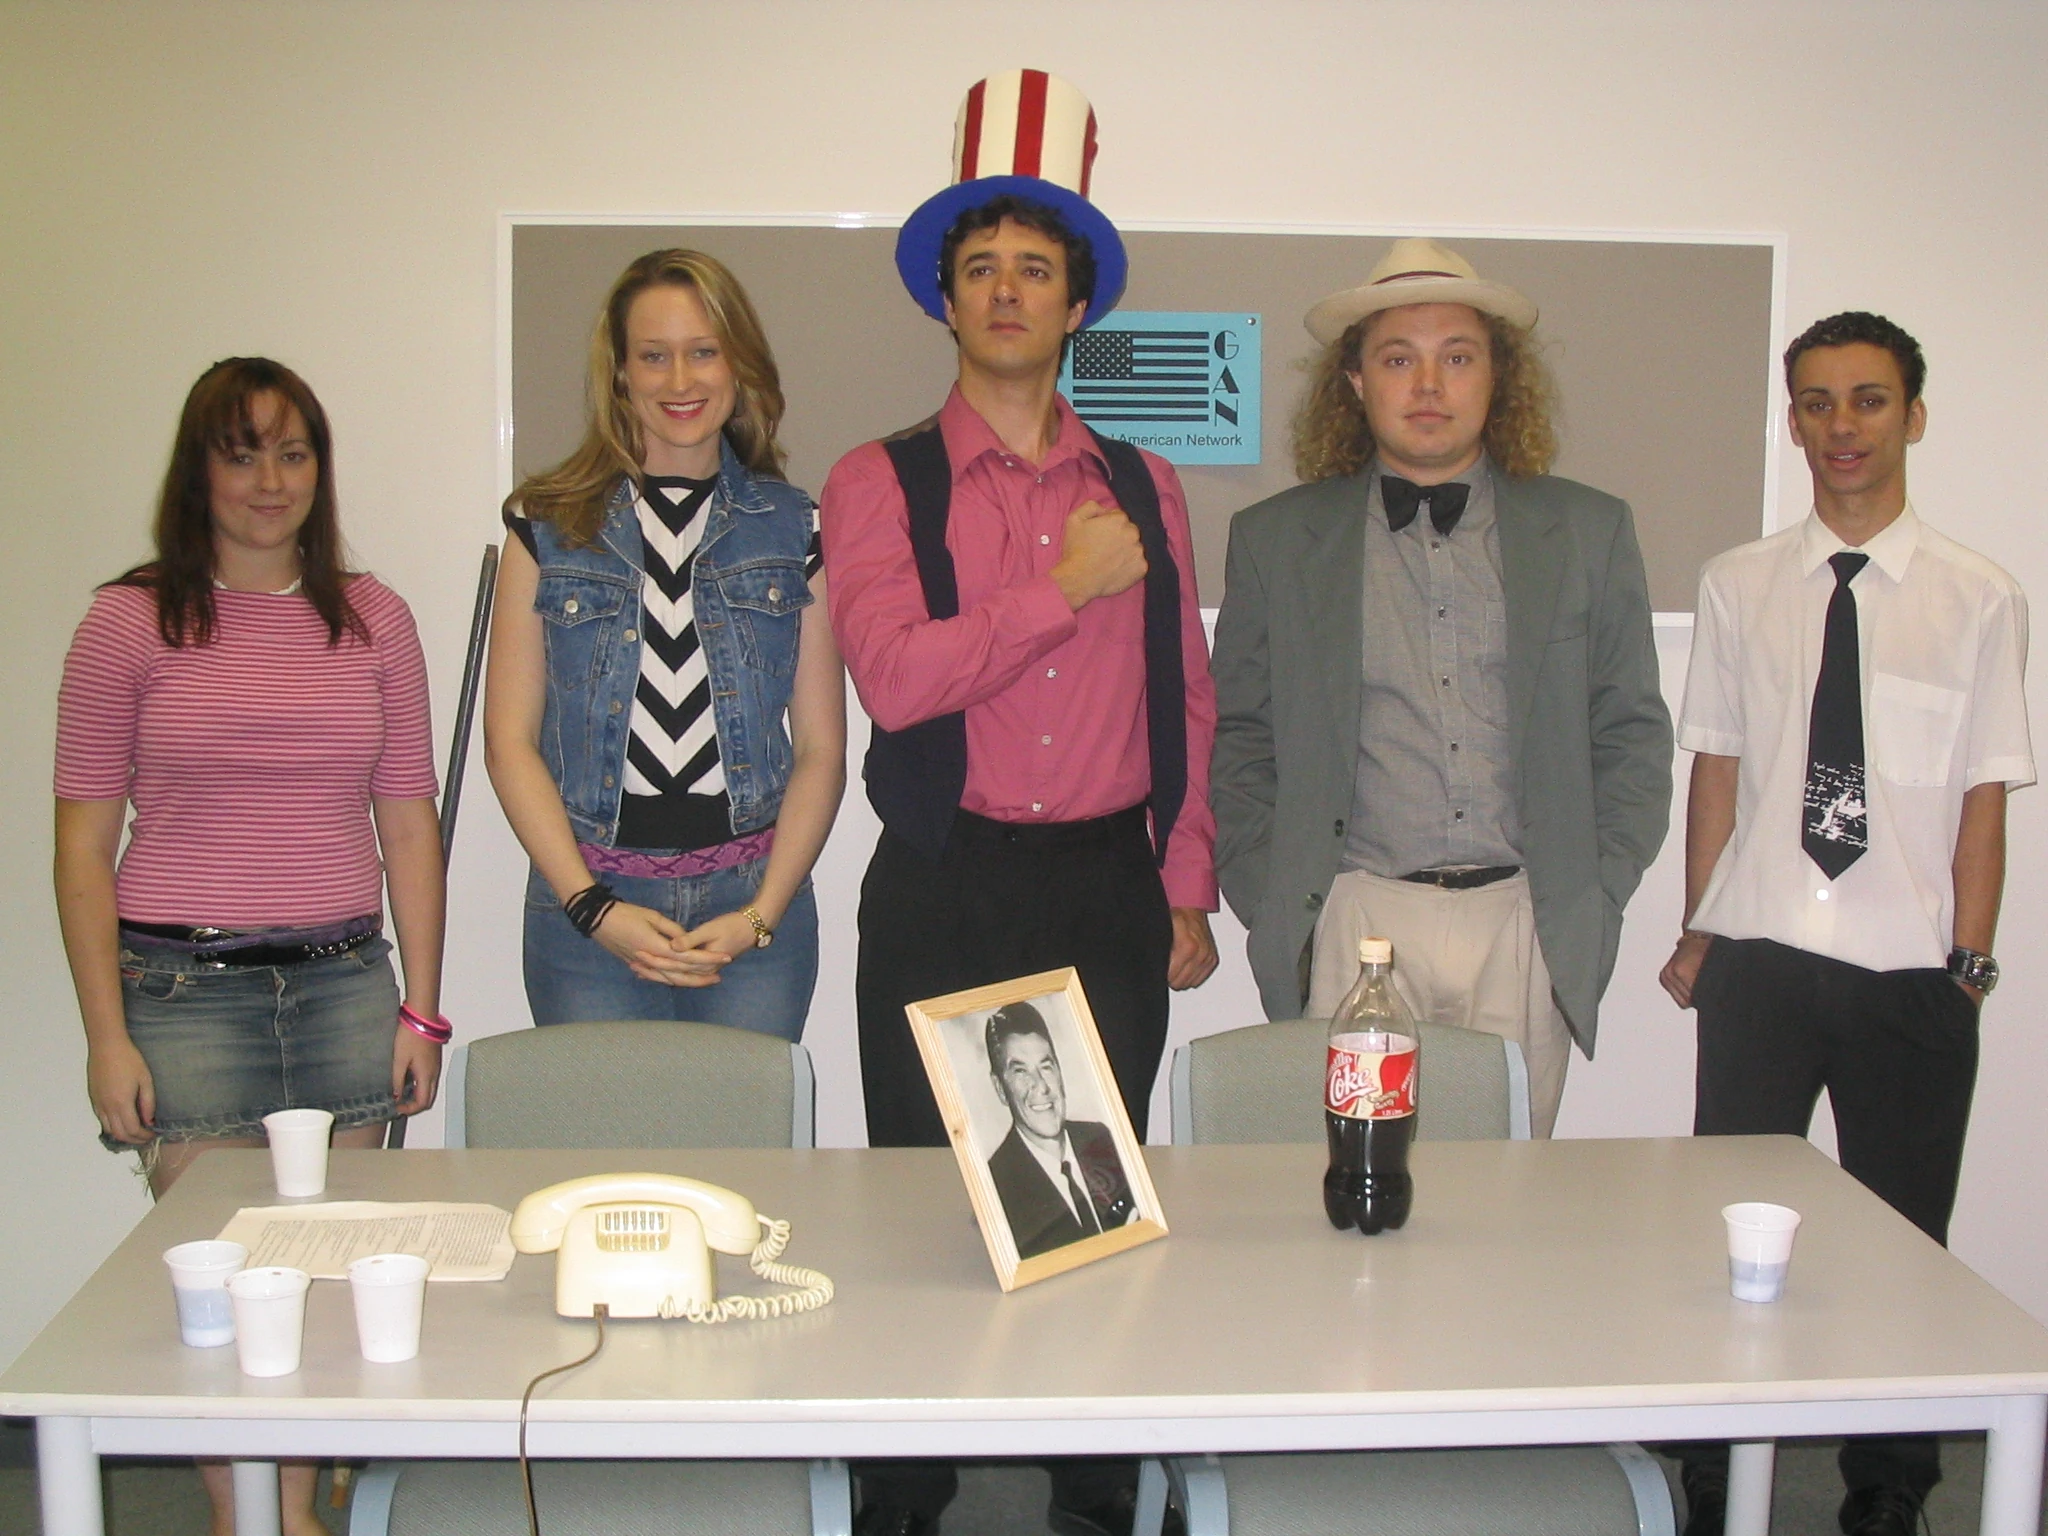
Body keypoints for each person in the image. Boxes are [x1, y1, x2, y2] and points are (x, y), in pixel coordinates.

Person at [819, 70, 1217, 1536]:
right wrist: (1061, 590)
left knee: (1089, 1209)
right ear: (944, 299)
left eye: (1034, 268)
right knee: (921, 1206)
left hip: (1106, 888)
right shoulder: (877, 479)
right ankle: (904, 1493)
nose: (1005, 289)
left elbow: (1184, 693)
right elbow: (894, 677)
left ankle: (1091, 1497)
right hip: (945, 879)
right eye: (980, 266)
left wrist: (1186, 879)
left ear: (1075, 302)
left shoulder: (1147, 484)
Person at [53, 356, 446, 1536]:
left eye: (292, 453)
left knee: (326, 1284)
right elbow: (82, 848)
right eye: (241, 454)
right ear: (199, 471)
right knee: (222, 1289)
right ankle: (244, 1518)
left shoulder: (373, 619)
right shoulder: (126, 622)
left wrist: (421, 1011)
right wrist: (106, 1037)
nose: (269, 481)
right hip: (183, 997)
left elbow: (408, 824)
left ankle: (300, 1513)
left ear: (319, 469)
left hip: (343, 989)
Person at [1659, 312, 2031, 1536]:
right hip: (1759, 960)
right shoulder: (1737, 583)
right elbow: (1715, 768)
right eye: (1815, 402)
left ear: (1910, 416)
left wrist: (1966, 964)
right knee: (1728, 1238)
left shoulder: (1978, 597)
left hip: (1907, 975)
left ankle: (1887, 1484)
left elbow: (1981, 797)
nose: (1841, 426)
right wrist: (1698, 933)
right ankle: (1713, 1469)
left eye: (1866, 400)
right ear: (1791, 421)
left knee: (1902, 1243)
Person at [1209, 238, 1672, 1137]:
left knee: (1507, 1191)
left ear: (1498, 377)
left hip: (1524, 920)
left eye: (1457, 358)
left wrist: (1594, 888)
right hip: (1355, 916)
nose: (1428, 385)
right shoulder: (1275, 540)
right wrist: (1276, 898)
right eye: (1398, 359)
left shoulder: (1589, 531)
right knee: (1357, 1175)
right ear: (1355, 382)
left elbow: (1631, 732)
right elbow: (1241, 737)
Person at [484, 248, 845, 1038]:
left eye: (703, 351)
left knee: (745, 1125)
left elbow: (822, 750)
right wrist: (591, 906)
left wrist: (760, 916)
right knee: (606, 1125)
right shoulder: (544, 525)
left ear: (738, 363)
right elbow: (508, 743)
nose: (680, 379)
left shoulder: (797, 527)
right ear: (620, 373)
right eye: (653, 356)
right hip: (588, 915)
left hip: (752, 912)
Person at [982, 1001, 1135, 1258]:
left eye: (1046, 1066)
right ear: (1000, 1088)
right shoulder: (997, 1182)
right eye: (1021, 1072)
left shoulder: (1100, 1139)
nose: (1041, 1086)